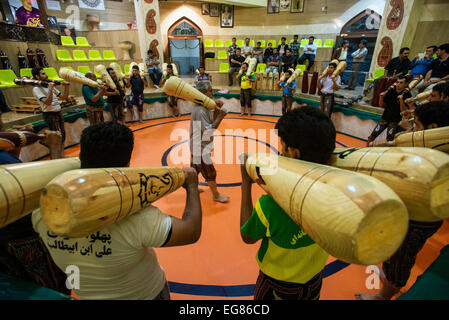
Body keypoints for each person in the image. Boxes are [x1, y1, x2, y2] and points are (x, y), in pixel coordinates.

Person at [32, 121, 202, 300]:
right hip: (147, 295)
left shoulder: (41, 211)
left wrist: (57, 151)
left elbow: (64, 185)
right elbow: (191, 230)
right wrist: (191, 185)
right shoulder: (136, 216)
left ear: (81, 156)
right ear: (127, 164)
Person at [356, 101, 449, 301]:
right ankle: (389, 276)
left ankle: (384, 295)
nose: (413, 129)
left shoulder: (439, 158)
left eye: (417, 125)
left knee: (401, 257)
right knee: (392, 248)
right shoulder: (428, 150)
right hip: (406, 209)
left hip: (418, 218)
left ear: (432, 130)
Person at [239, 106, 334, 300]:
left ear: (293, 152)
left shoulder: (271, 205)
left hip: (277, 283)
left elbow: (247, 236)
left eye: (282, 147)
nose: (279, 152)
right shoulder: (334, 191)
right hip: (314, 277)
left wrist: (245, 185)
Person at [0, 110, 69, 296]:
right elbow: (56, 191)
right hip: (23, 234)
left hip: (8, 237)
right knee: (51, 288)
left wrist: (14, 147)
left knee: (17, 284)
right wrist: (55, 149)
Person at [190, 80, 229, 203]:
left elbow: (210, 119)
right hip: (199, 146)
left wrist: (217, 109)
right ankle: (216, 195)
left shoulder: (203, 106)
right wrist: (221, 116)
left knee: (195, 168)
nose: (213, 93)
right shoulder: (200, 110)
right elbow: (209, 131)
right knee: (210, 171)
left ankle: (192, 189)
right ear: (203, 93)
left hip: (197, 144)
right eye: (210, 90)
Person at [31, 66, 70, 157]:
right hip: (50, 115)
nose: (46, 75)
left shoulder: (49, 86)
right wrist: (51, 89)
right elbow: (47, 102)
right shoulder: (36, 89)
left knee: (62, 135)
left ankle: (62, 155)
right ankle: (57, 157)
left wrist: (67, 87)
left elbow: (64, 97)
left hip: (58, 112)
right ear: (37, 76)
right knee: (56, 137)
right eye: (43, 74)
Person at [366, 76, 411, 145]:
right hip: (384, 118)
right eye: (397, 82)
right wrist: (381, 97)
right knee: (372, 136)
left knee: (389, 140)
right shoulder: (391, 91)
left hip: (394, 121)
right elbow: (381, 106)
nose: (398, 84)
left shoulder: (407, 94)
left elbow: (404, 112)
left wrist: (401, 100)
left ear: (405, 84)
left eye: (401, 83)